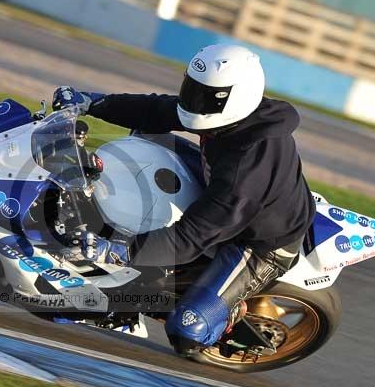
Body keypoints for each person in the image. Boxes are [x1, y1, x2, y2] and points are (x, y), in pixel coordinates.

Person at [52, 44, 315, 359]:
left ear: (238, 96)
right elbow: (157, 110)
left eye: (207, 96)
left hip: (257, 244)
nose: (195, 101)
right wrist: (92, 101)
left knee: (186, 333)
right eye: (194, 89)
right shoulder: (225, 115)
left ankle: (228, 317)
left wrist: (123, 251)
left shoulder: (246, 172)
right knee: (145, 135)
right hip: (215, 183)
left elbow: (192, 236)